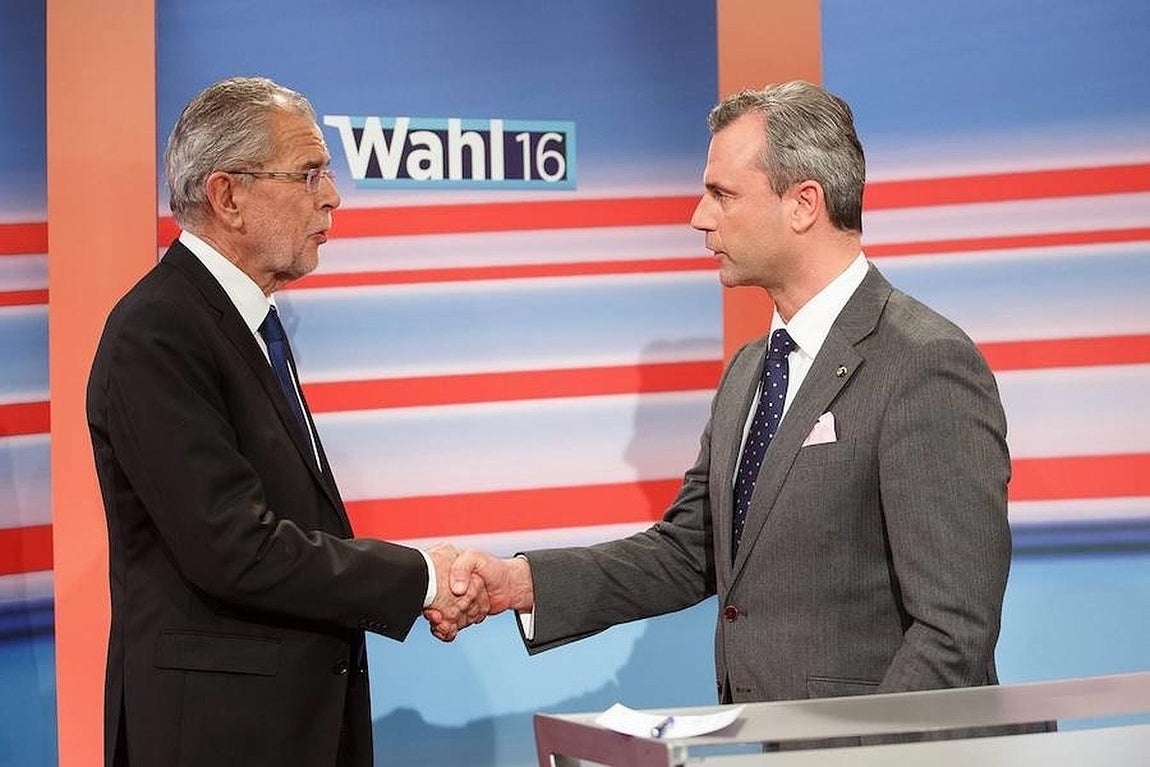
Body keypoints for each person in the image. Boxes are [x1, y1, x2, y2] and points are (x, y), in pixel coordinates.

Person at [438, 81, 1014, 709]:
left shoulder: (924, 362)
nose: (699, 216)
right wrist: (518, 584)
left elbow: (954, 634)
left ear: (804, 204)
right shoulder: (750, 370)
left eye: (722, 193)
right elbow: (693, 550)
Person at [87, 76, 484, 767]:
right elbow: (235, 548)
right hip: (217, 737)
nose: (331, 196)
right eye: (308, 174)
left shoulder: (245, 321)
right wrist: (419, 576)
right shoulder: (157, 332)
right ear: (227, 195)